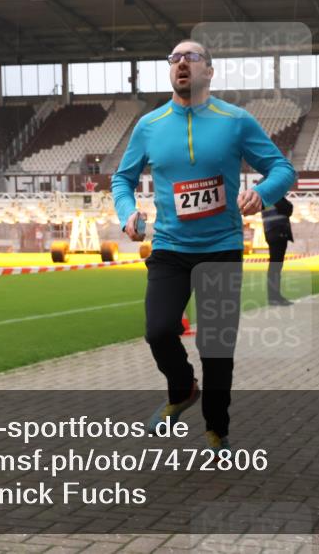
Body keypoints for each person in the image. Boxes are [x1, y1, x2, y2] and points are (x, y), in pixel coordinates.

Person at [111, 39, 296, 451]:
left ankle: (217, 428)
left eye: (191, 58)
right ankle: (182, 390)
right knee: (158, 331)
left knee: (216, 349)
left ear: (208, 71)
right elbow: (121, 179)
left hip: (222, 247)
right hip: (171, 248)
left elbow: (283, 168)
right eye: (174, 58)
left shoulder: (235, 120)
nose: (181, 64)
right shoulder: (150, 125)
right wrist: (127, 212)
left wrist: (262, 193)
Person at [261, 196, 294, 306]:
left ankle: (274, 296)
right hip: (277, 231)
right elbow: (287, 208)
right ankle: (274, 297)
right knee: (275, 267)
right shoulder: (273, 195)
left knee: (275, 267)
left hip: (272, 231)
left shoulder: (266, 196)